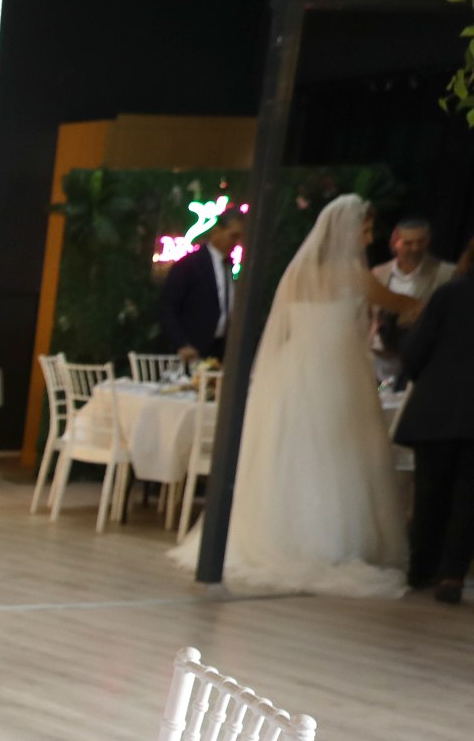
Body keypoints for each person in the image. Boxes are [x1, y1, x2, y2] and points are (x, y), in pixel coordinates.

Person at [171, 194, 426, 596]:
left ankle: (287, 534)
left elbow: (284, 328)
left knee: (294, 456)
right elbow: (402, 303)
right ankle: (329, 541)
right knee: (334, 455)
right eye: (364, 230)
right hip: (336, 375)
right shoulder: (355, 276)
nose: (368, 238)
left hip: (294, 372)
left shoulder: (297, 274)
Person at [394, 238, 474, 602]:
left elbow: (416, 350)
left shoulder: (448, 294)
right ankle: (452, 574)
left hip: (438, 405)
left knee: (430, 490)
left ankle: (420, 568)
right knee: (468, 496)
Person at [371, 216, 456, 385]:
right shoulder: (379, 274)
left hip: (419, 365)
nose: (415, 248)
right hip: (381, 362)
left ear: (428, 241)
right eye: (408, 243)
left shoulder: (446, 274)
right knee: (381, 394)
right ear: (395, 242)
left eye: (420, 242)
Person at [158, 207, 245, 363]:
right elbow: (167, 307)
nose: (236, 243)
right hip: (194, 348)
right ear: (216, 232)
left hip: (221, 348)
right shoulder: (190, 264)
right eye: (233, 236)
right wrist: (182, 343)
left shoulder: (229, 266)